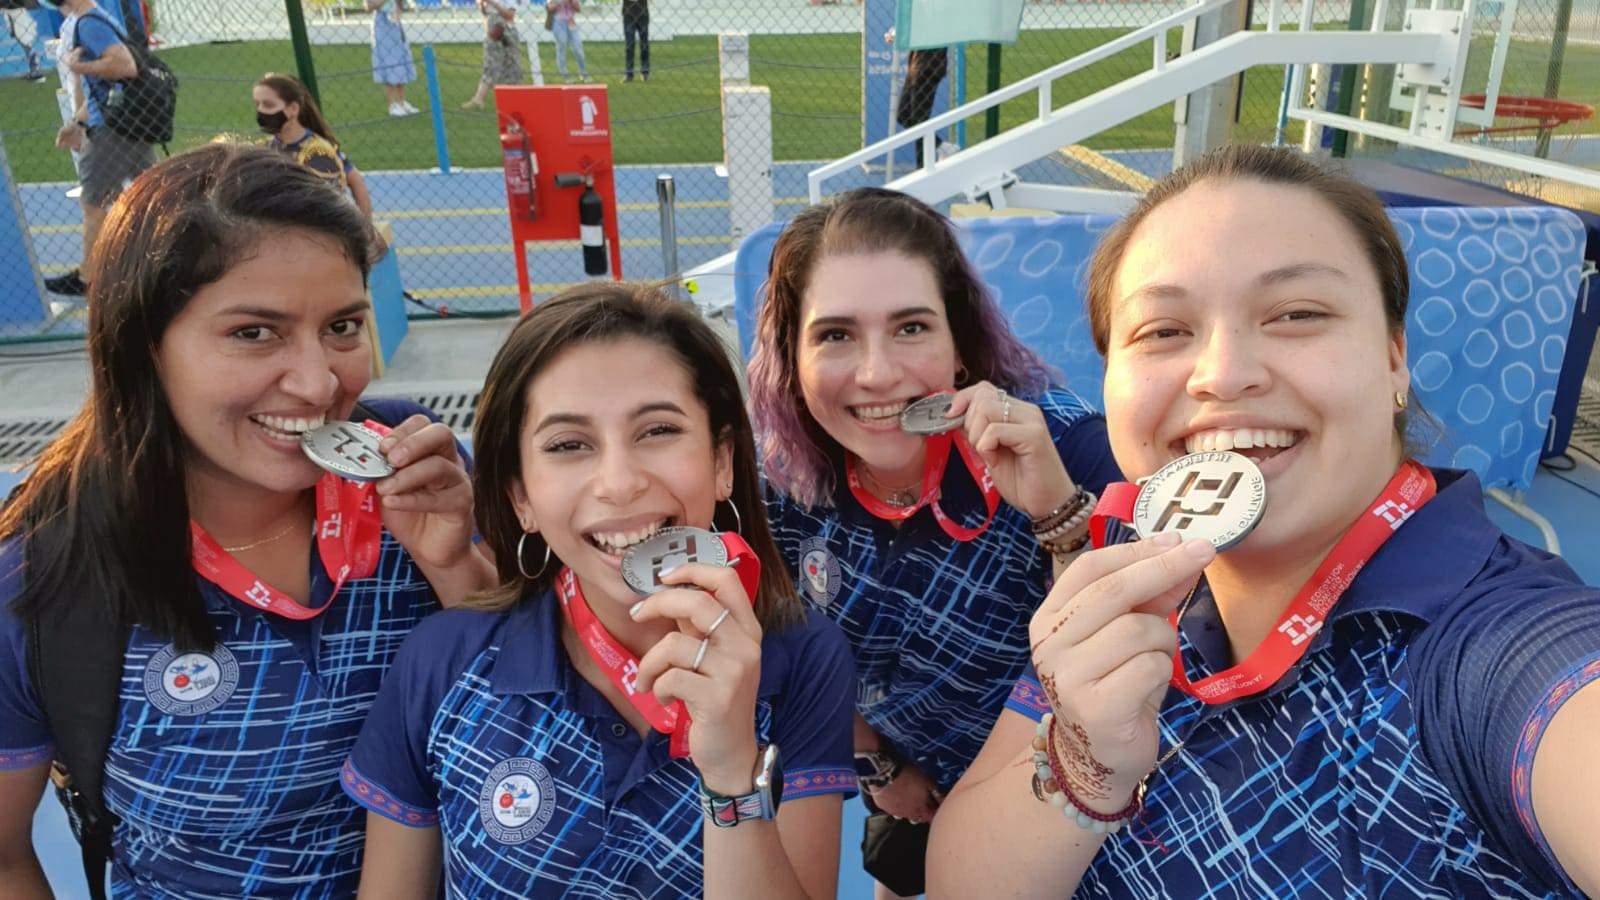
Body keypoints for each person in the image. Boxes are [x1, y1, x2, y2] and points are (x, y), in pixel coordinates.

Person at [926, 144, 1600, 898]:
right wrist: (1081, 773)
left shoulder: (1488, 647)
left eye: (1296, 315)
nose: (1222, 373)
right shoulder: (1135, 557)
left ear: (1393, 358)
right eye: (1163, 331)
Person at [0, 143, 495, 898]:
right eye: (254, 332)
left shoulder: (429, 473)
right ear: (142, 346)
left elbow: (548, 729)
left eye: (343, 326)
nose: (317, 381)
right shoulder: (44, 569)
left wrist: (460, 572)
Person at [342, 283, 857, 899]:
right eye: (568, 446)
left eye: (658, 430)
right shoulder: (442, 660)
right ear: (520, 497)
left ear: (722, 461)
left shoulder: (804, 658)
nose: (618, 483)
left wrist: (729, 774)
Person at [746, 187, 1121, 898]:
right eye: (835, 335)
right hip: (909, 776)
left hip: (1061, 794)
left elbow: (1146, 657)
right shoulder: (780, 484)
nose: (877, 372)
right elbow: (787, 646)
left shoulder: (1074, 450)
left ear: (960, 346)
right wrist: (881, 766)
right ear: (790, 357)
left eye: (911, 328)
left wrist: (1058, 516)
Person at [42, 0, 153, 298]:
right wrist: (78, 123)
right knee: (147, 195)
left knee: (94, 204)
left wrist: (76, 65)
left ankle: (89, 278)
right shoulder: (92, 19)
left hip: (111, 130)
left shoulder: (90, 23)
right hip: (121, 124)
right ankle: (150, 262)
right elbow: (96, 89)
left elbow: (123, 66)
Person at [254, 72, 375, 221]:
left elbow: (322, 208)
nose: (261, 111)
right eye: (257, 104)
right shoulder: (264, 148)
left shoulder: (318, 152)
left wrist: (366, 229)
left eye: (268, 105)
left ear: (293, 109)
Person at [460, 0, 521, 110]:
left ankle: (514, 97)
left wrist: (493, 3)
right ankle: (478, 98)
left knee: (512, 65)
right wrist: (483, 5)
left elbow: (510, 15)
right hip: (493, 31)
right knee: (491, 64)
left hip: (507, 31)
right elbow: (485, 14)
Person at [366, 0, 416, 117]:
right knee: (388, 61)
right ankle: (392, 104)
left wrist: (399, 8)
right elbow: (368, 7)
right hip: (381, 26)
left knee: (401, 59)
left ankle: (401, 102)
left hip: (395, 23)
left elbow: (400, 4)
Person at [546, 0, 587, 83]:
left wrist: (571, 2)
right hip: (558, 23)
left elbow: (578, 9)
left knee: (578, 48)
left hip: (571, 22)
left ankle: (583, 72)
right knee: (561, 47)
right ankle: (565, 75)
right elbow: (549, 7)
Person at [622, 0, 648, 82]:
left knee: (644, 44)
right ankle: (629, 73)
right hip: (628, 12)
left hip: (642, 12)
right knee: (629, 44)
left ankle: (645, 72)